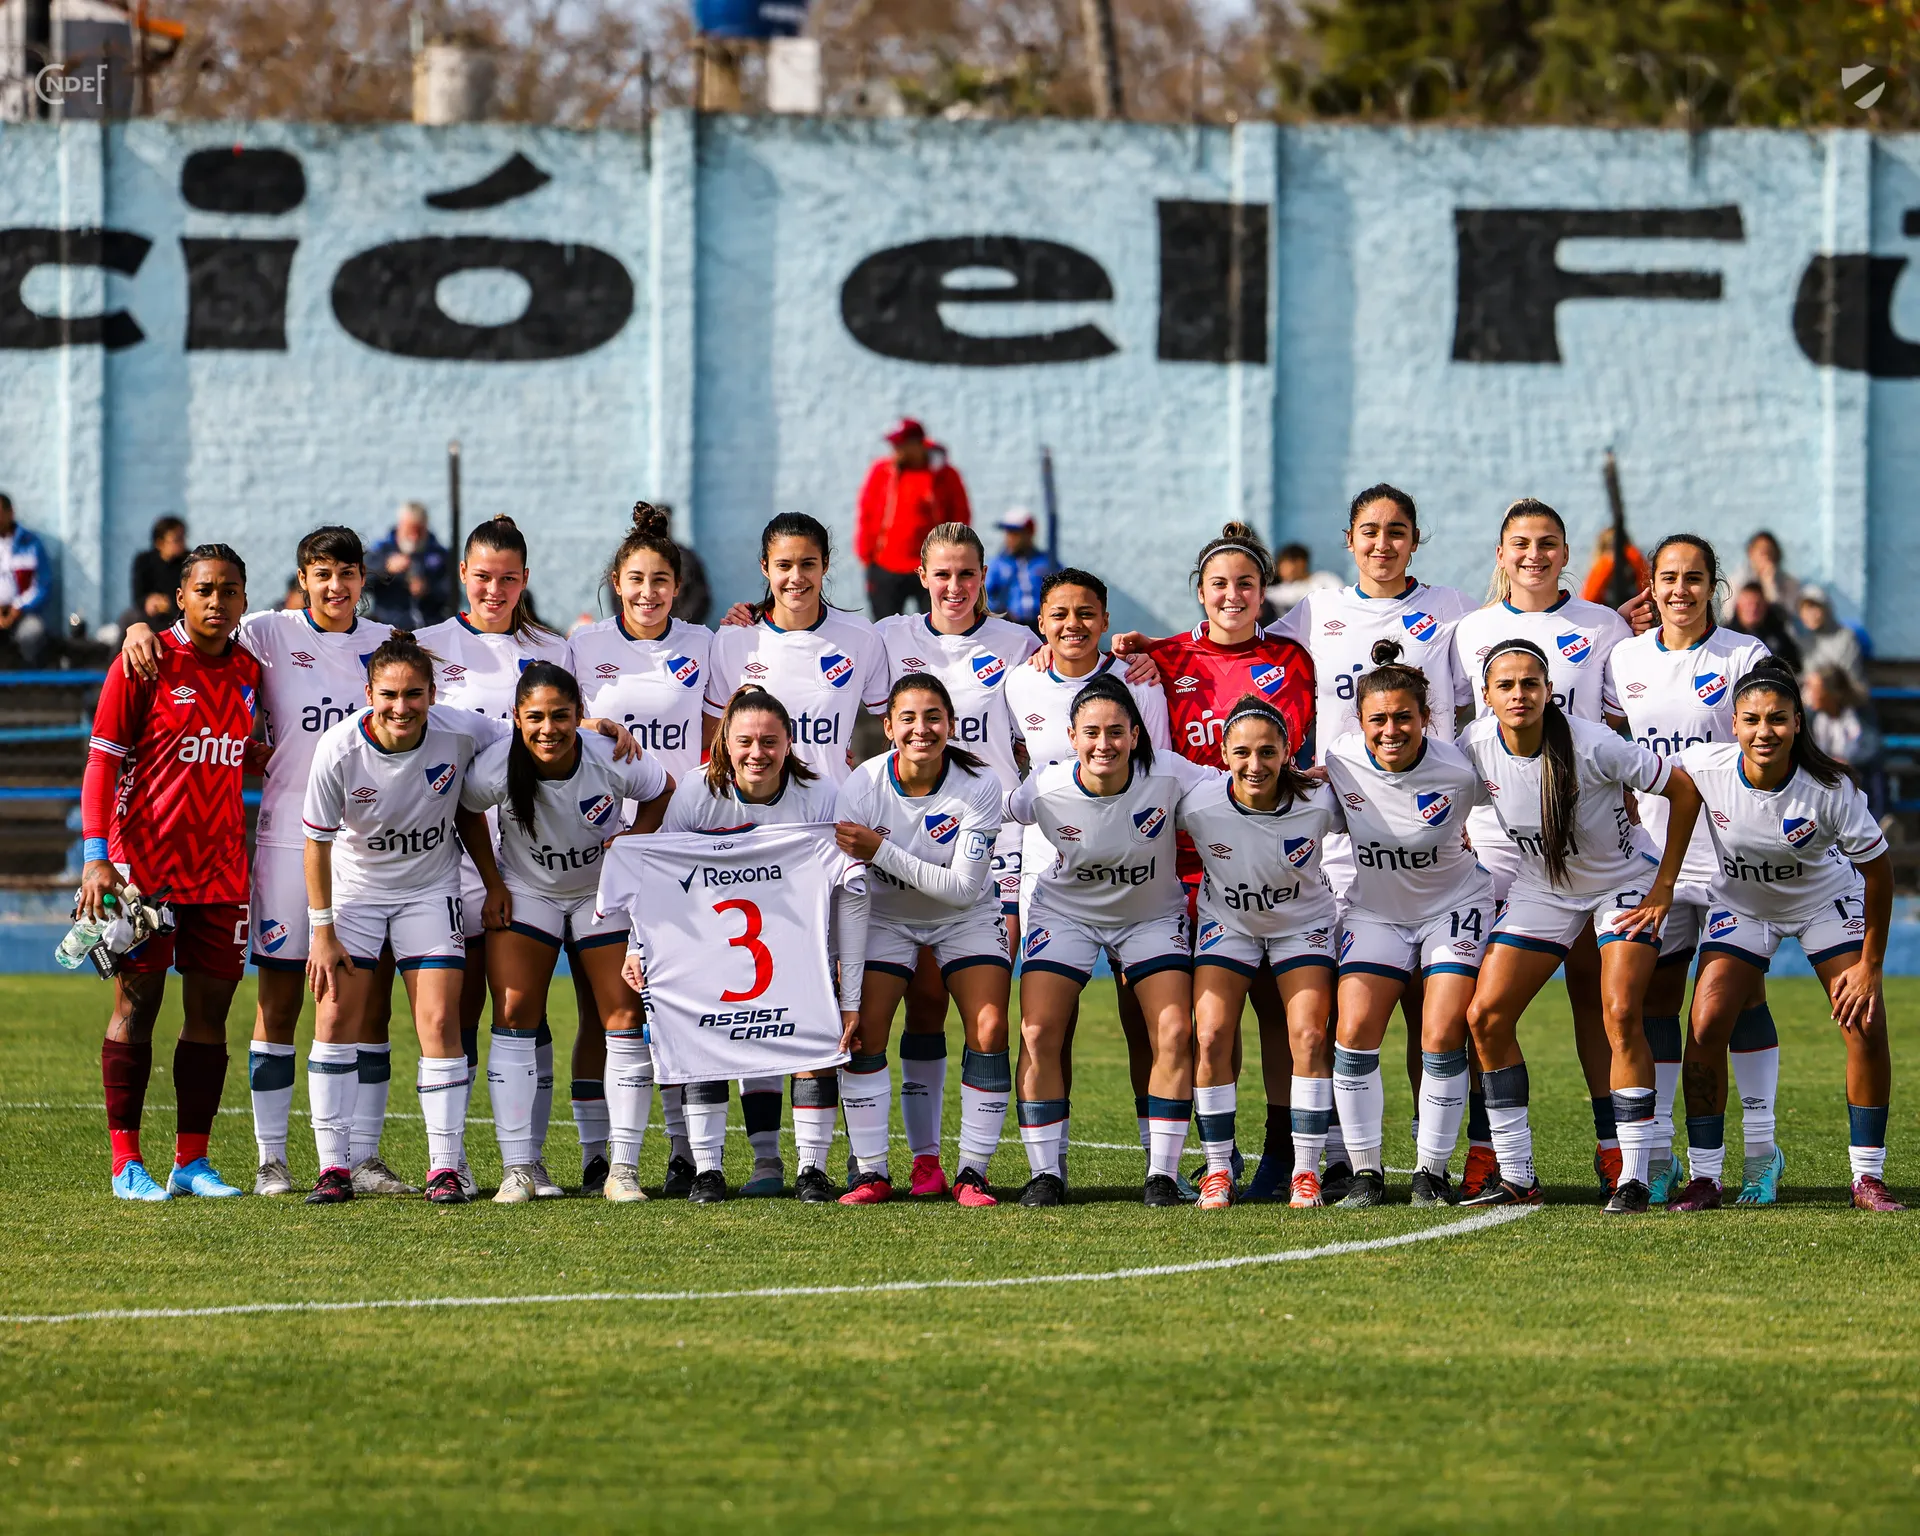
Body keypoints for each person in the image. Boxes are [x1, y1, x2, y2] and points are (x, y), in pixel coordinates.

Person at [121, 527, 407, 1198]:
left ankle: (364, 1158)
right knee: (277, 1001)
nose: (335, 586)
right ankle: (271, 1160)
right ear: (302, 580)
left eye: (347, 573)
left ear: (363, 580)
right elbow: (196, 630)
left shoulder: (390, 643)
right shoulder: (267, 633)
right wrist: (138, 628)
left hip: (366, 848)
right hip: (286, 844)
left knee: (368, 1007)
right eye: (322, 574)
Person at [1266, 484, 1477, 1201]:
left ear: (1415, 539)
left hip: (1438, 837)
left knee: (1434, 1020)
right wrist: (1149, 652)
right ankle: (1348, 1164)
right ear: (1349, 540)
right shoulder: (1315, 612)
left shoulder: (1452, 610)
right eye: (1369, 531)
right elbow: (1236, 643)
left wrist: (1619, 625)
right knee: (1346, 1018)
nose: (1382, 543)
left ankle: (1433, 1165)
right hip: (1347, 838)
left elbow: (1523, 647)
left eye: (1396, 531)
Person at [1108, 523, 1316, 1198]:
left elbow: (1298, 758)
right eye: (1219, 584)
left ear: (1263, 591)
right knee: (1195, 1023)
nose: (1232, 595)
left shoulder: (1292, 660)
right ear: (1199, 591)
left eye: (1245, 584)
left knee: (1276, 1012)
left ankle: (1284, 1153)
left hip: (1266, 864)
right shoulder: (1163, 658)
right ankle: (1205, 1156)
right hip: (1181, 866)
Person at [1462, 639, 1701, 1213]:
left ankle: (1634, 1176)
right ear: (1487, 696)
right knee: (1485, 1017)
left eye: (1530, 683)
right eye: (1505, 685)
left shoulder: (1594, 743)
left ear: (1549, 691)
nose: (1519, 694)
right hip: (1543, 887)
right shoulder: (1473, 743)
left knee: (1619, 1012)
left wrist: (1664, 885)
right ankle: (1517, 1174)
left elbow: (1684, 789)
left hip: (1622, 883)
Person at [1671, 659, 1902, 1212]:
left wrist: (1870, 966)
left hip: (1825, 904)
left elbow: (1879, 873)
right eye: (1752, 720)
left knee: (1865, 1023)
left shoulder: (1831, 788)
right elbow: (1654, 784)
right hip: (1743, 907)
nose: (1764, 731)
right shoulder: (1703, 765)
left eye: (1777, 719)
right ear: (1733, 724)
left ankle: (1867, 1177)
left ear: (1798, 723)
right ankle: (1705, 1177)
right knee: (1706, 1022)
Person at [1452, 499, 1634, 1198]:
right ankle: (1488, 1153)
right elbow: (1455, 724)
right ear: (1501, 554)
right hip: (1499, 840)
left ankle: (1614, 1150)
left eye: (1548, 542)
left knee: (1597, 998)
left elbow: (1620, 724)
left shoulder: (1603, 623)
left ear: (1566, 552)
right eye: (1521, 543)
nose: (1534, 554)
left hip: (1587, 838)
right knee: (1482, 1002)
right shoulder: (1470, 630)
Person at [706, 513, 888, 1193]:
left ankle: (816, 1160)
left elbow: (886, 730)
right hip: (750, 841)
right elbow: (714, 744)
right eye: (783, 565)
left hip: (828, 839)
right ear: (765, 569)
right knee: (756, 996)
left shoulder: (861, 639)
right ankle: (765, 1159)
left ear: (825, 566)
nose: (795, 577)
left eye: (808, 564)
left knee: (820, 998)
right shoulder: (734, 641)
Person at [79, 544, 265, 1202]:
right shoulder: (144, 660)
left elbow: (240, 749)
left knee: (211, 1012)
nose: (217, 601)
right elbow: (102, 762)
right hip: (144, 869)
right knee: (137, 1004)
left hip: (222, 868)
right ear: (181, 596)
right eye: (205, 590)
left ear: (244, 600)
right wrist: (96, 856)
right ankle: (126, 1164)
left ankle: (192, 1162)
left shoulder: (249, 669)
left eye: (230, 590)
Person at [300, 632, 508, 1206]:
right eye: (389, 695)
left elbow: (532, 732)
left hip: (429, 891)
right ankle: (333, 1167)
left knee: (439, 1022)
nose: (401, 707)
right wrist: (322, 931)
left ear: (432, 694)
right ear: (368, 694)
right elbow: (315, 844)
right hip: (357, 895)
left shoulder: (461, 731)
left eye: (414, 694)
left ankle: (445, 1168)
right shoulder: (338, 748)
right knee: (334, 1018)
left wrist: (593, 727)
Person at [457, 663, 673, 1204]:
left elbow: (662, 789)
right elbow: (466, 810)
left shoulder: (609, 754)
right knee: (514, 1015)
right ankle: (520, 1168)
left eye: (561, 715)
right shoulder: (496, 765)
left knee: (624, 1018)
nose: (548, 728)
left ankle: (622, 1170)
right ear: (516, 717)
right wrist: (492, 882)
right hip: (527, 891)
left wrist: (632, 842)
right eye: (535, 717)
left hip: (600, 894)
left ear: (580, 715)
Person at [1606, 533, 1779, 1203]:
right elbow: (1609, 744)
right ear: (1651, 586)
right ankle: (1658, 1158)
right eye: (1669, 578)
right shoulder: (1624, 658)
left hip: (1734, 861)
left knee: (1734, 1003)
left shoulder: (1744, 655)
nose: (1681, 590)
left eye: (1694, 577)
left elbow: (1770, 744)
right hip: (1655, 861)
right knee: (1656, 1001)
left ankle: (1760, 1154)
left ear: (1715, 585)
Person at [871, 522, 1038, 1197]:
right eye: (942, 574)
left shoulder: (1018, 644)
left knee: (989, 1009)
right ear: (922, 576)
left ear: (983, 577)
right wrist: (749, 617)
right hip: (910, 839)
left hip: (996, 843)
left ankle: (984, 1166)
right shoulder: (889, 638)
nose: (954, 586)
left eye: (967, 574)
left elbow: (1058, 705)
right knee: (922, 1004)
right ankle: (924, 1163)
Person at [1004, 674, 1214, 1208]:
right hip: (1066, 914)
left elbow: (1238, 785)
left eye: (1116, 731)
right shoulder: (1045, 785)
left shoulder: (1169, 772)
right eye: (1092, 733)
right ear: (1071, 737)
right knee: (1038, 1031)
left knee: (1173, 1031)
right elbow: (994, 810)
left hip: (1150, 917)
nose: (1105, 744)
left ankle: (1162, 1174)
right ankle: (1045, 1173)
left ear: (1136, 735)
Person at [416, 516, 575, 1196]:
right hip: (446, 859)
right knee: (457, 1015)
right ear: (462, 574)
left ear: (525, 580)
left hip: (523, 863)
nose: (495, 589)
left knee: (522, 1010)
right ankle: (452, 1160)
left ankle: (528, 1159)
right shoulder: (425, 646)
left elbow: (578, 731)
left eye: (508, 578)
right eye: (483, 576)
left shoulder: (552, 650)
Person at [650, 685, 856, 1203]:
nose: (756, 753)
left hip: (800, 943)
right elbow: (661, 876)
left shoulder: (821, 794)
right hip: (711, 946)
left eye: (769, 741)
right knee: (706, 1043)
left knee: (810, 1040)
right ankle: (710, 1170)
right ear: (725, 742)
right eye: (744, 741)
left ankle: (812, 1169)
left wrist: (837, 959)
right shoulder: (698, 792)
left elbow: (845, 883)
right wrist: (638, 947)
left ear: (789, 743)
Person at [571, 503, 717, 1197]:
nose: (648, 592)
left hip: (680, 846)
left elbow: (716, 736)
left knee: (682, 1006)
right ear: (616, 582)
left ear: (677, 586)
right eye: (636, 579)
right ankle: (598, 1155)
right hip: (603, 846)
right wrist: (593, 723)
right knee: (604, 1010)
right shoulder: (583, 646)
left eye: (661, 580)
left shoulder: (707, 644)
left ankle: (686, 1154)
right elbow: (553, 724)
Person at [1005, 568, 1170, 1180]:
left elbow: (1160, 771)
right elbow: (1008, 773)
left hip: (1135, 880)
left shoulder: (1138, 681)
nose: (1072, 625)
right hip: (1051, 879)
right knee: (1046, 1025)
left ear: (1104, 620)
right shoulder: (1018, 682)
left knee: (1146, 1022)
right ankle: (1049, 1167)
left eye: (1085, 614)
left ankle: (1162, 1163)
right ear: (1041, 624)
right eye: (1059, 614)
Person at [1319, 640, 1494, 1209]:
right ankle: (1365, 1175)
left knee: (1440, 1034)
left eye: (1403, 718)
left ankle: (1430, 1174)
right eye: (1378, 720)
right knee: (1353, 1030)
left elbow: (1517, 795)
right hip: (1376, 910)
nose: (1390, 730)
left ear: (1426, 719)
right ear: (1360, 722)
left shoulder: (1461, 770)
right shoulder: (1340, 762)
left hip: (1454, 907)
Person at [833, 675, 1012, 1207]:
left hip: (965, 918)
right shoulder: (862, 786)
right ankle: (872, 1173)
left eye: (934, 717)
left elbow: (962, 891)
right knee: (863, 1032)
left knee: (990, 1026)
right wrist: (846, 973)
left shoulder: (979, 783)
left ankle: (972, 1173)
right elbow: (851, 890)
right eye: (908, 718)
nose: (922, 729)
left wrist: (880, 851)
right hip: (884, 918)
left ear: (951, 725)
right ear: (888, 727)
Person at [1179, 697, 1339, 1208]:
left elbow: (1381, 806)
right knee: (1209, 1036)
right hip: (1229, 925)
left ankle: (1306, 1171)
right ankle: (1218, 1170)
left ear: (1288, 752)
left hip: (1302, 926)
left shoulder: (1322, 800)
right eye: (1243, 752)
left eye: (1268, 752)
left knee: (1310, 1035)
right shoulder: (1197, 803)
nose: (1255, 764)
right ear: (1223, 754)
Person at [855, 418, 971, 619]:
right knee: (885, 629)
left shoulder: (944, 475)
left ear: (918, 444)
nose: (895, 450)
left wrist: (952, 555)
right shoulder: (882, 472)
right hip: (885, 566)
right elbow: (866, 512)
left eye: (900, 444)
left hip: (932, 566)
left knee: (937, 626)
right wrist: (867, 556)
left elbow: (960, 516)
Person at [367, 502, 451, 631]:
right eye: (410, 530)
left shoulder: (440, 555)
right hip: (388, 626)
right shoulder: (381, 550)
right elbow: (362, 582)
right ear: (400, 526)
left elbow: (452, 592)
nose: (414, 537)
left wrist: (427, 589)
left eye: (419, 531)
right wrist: (385, 569)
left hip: (429, 627)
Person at [0, 490, 52, 666]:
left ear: (10, 512)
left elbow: (43, 585)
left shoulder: (31, 543)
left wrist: (18, 607)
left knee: (33, 632)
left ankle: (30, 677)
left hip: (23, 614)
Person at [117, 516, 188, 638]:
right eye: (177, 539)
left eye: (183, 538)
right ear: (160, 542)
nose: (182, 543)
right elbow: (138, 595)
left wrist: (170, 603)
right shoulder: (144, 561)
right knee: (129, 620)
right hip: (148, 611)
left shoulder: (188, 562)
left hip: (177, 610)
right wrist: (149, 601)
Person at [984, 508, 1056, 626]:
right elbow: (984, 595)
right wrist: (999, 611)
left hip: (1042, 625)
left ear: (1029, 534)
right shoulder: (997, 564)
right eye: (1008, 533)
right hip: (1010, 625)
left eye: (1015, 533)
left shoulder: (1045, 562)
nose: (1010, 538)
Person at [1796, 587, 1868, 692]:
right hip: (1816, 696)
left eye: (1814, 607)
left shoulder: (1845, 637)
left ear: (1826, 609)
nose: (1810, 614)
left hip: (1846, 695)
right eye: (1804, 609)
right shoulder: (1805, 642)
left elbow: (1850, 677)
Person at [1726, 581, 1803, 673]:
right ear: (1738, 606)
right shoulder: (1726, 637)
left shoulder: (1778, 633)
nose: (1753, 609)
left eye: (1757, 604)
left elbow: (1795, 666)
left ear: (1765, 606)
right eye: (1748, 604)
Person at [1727, 530, 1802, 618]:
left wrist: (1770, 584)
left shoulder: (1790, 583)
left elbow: (1786, 616)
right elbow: (1728, 613)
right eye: (1761, 552)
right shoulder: (1736, 580)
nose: (1765, 556)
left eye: (1769, 552)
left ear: (1777, 555)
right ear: (1751, 554)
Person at [1262, 541, 1341, 622]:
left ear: (1300, 563)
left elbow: (1341, 601)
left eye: (1283, 565)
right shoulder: (1283, 589)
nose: (1280, 570)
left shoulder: (1325, 579)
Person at [1580, 527, 1650, 605]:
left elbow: (1650, 592)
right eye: (1610, 548)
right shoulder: (1600, 568)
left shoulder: (1634, 563)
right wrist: (1607, 563)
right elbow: (1588, 600)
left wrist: (1630, 555)